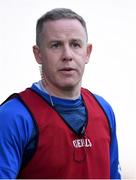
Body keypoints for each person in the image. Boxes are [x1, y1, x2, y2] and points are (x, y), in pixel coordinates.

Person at [0, 8, 121, 179]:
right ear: (38, 54)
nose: (67, 55)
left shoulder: (104, 110)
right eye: (56, 45)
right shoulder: (12, 117)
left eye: (75, 44)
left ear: (87, 52)